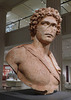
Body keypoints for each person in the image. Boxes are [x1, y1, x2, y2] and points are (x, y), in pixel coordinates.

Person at [6, 7, 62, 94]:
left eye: (54, 25)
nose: (50, 29)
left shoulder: (52, 58)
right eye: (45, 23)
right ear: (35, 27)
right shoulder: (18, 53)